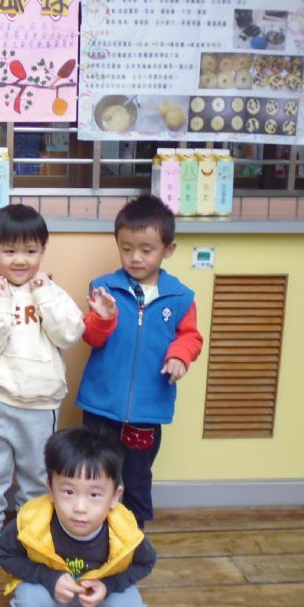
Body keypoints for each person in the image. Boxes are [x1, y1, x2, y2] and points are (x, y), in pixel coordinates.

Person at [0, 204, 85, 568]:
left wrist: (44, 296)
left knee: (36, 471)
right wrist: (1, 305)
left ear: (43, 251)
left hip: (40, 404)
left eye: (30, 251)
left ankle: (30, 525)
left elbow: (69, 334)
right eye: (10, 250)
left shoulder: (52, 292)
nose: (20, 260)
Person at [77, 194, 203, 527]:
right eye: (126, 248)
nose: (135, 258)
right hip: (101, 406)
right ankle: (94, 528)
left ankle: (133, 533)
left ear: (168, 250)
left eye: (146, 250)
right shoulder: (104, 289)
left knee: (136, 474)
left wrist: (179, 356)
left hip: (147, 411)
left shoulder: (180, 297)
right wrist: (103, 318)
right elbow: (91, 337)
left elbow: (191, 337)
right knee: (96, 472)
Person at [0, 427, 155, 607]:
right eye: (68, 492)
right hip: (48, 588)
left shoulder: (124, 531)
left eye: (95, 494)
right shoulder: (32, 522)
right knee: (31, 603)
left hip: (98, 592)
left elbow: (145, 562)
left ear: (114, 496)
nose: (80, 507)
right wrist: (48, 578)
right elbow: (4, 553)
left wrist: (108, 585)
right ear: (51, 489)